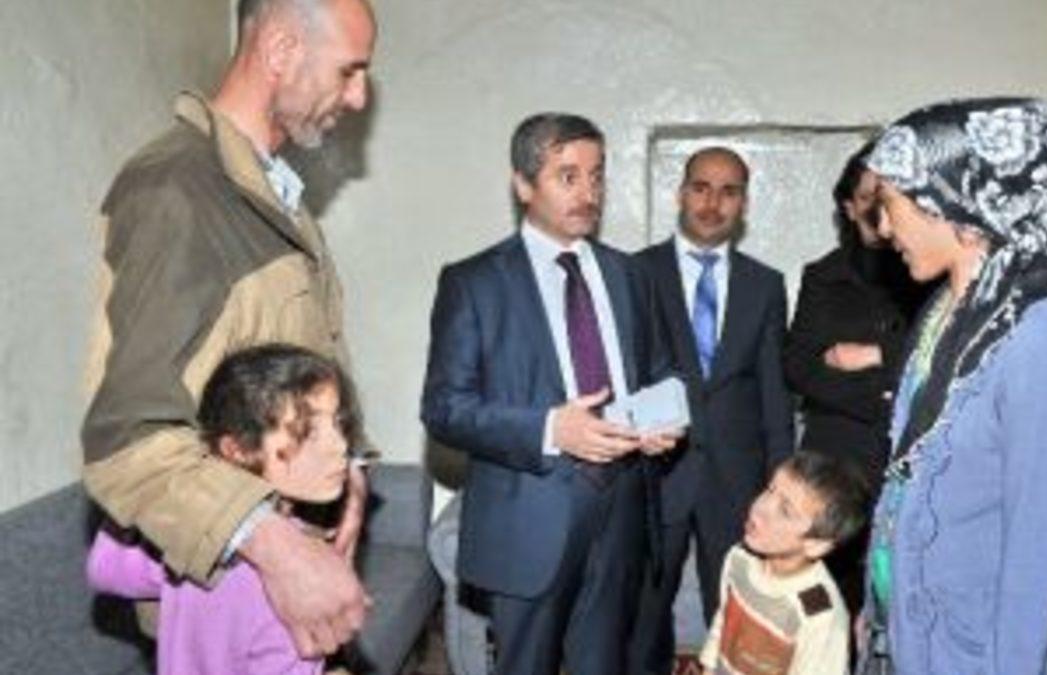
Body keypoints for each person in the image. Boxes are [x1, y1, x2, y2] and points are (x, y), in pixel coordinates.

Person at [81, 0, 377, 658]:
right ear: (281, 50)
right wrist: (276, 548)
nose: (359, 97)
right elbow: (129, 440)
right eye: (349, 71)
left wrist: (350, 472)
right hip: (226, 620)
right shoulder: (177, 193)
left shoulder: (275, 198)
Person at [420, 112, 680, 675]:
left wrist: (664, 419)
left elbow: (661, 371)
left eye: (597, 176)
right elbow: (444, 409)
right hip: (526, 520)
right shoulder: (474, 282)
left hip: (622, 516)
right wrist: (550, 429)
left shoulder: (630, 275)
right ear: (522, 184)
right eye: (568, 176)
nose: (588, 193)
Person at [857, 98, 1047, 675]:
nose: (883, 228)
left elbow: (1035, 544)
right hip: (904, 635)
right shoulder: (944, 313)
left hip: (971, 653)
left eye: (890, 205)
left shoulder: (1039, 341)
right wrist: (879, 604)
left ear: (949, 204)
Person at [88, 344, 361, 674]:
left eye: (338, 423)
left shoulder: (191, 543)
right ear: (238, 450)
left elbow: (105, 567)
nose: (340, 446)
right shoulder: (294, 582)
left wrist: (165, 495)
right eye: (309, 432)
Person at [630, 146, 794, 673]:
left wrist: (781, 487)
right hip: (655, 474)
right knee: (640, 620)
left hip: (737, 480)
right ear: (681, 194)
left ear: (743, 204)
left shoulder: (764, 285)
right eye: (701, 188)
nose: (712, 203)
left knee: (738, 620)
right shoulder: (635, 273)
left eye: (728, 192)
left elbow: (774, 392)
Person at [783, 143, 926, 627]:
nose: (879, 209)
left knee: (899, 593)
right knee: (827, 596)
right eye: (868, 197)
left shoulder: (924, 269)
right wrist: (885, 390)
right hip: (836, 455)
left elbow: (934, 361)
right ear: (849, 206)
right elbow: (800, 368)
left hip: (906, 453)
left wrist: (873, 354)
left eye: (889, 196)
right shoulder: (822, 276)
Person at [700, 451, 870, 675]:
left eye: (785, 511)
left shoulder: (819, 616)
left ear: (816, 545)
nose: (760, 508)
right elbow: (722, 625)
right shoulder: (740, 558)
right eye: (770, 490)